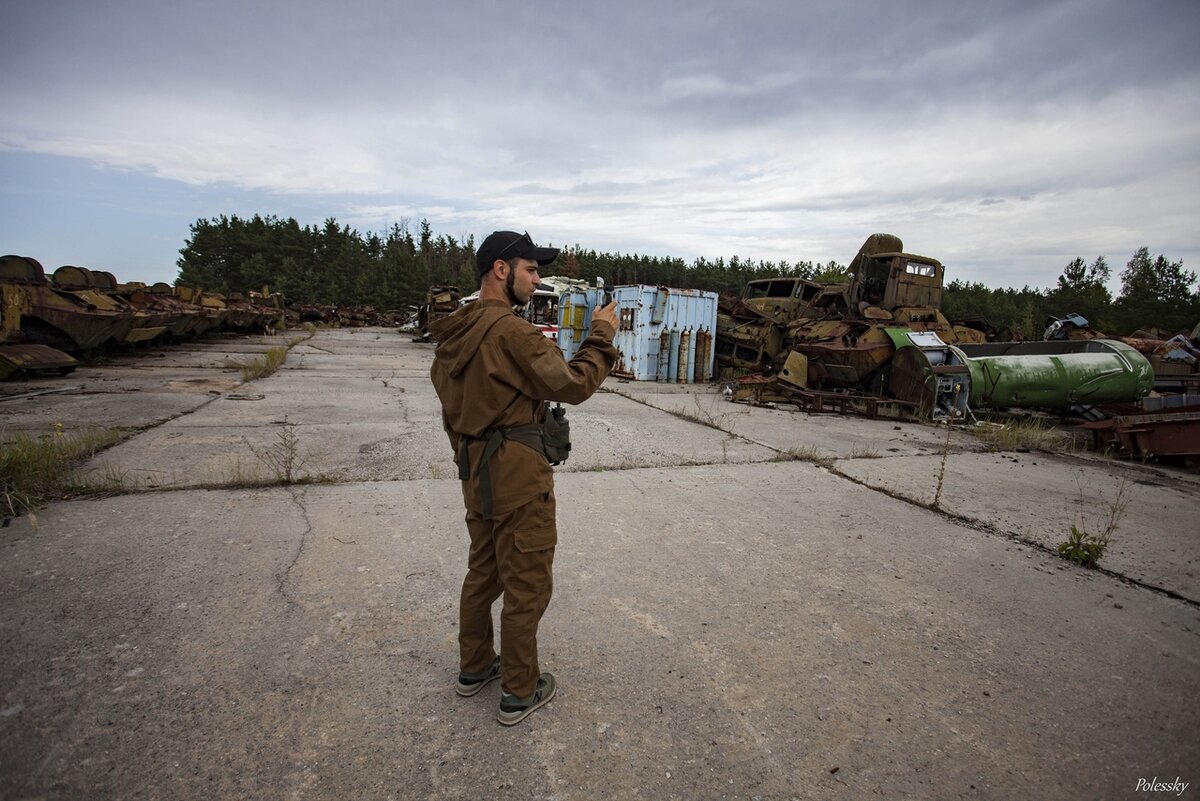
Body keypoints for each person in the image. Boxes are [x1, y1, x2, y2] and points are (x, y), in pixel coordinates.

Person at [429, 230, 618, 726]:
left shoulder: (456, 334)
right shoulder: (512, 333)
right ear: (500, 270)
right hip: (517, 478)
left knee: (483, 574)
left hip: (476, 475)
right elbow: (573, 384)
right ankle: (518, 689)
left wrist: (472, 458)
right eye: (531, 269)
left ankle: (474, 669)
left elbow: (452, 413)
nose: (537, 279)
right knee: (526, 584)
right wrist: (602, 335)